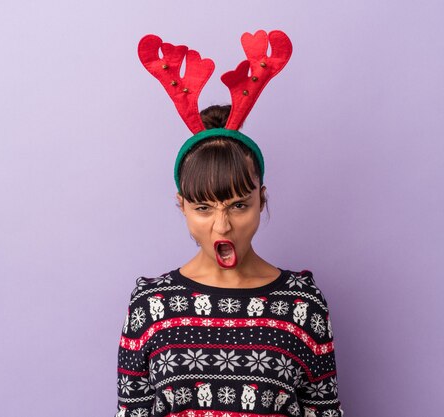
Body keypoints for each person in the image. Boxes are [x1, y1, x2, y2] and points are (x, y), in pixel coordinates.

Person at [115, 103, 344, 417]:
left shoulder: (302, 304)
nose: (222, 226)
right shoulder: (150, 306)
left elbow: (324, 411)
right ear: (181, 205)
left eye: (238, 205)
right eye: (203, 208)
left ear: (261, 200)